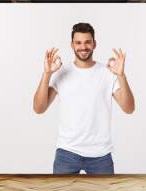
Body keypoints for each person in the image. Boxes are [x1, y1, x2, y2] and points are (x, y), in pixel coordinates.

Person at [33, 22, 135, 174]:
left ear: (94, 44)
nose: (83, 47)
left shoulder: (107, 73)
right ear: (72, 45)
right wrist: (47, 74)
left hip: (100, 155)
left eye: (87, 42)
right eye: (78, 42)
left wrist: (121, 75)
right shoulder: (62, 72)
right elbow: (38, 108)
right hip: (67, 153)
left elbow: (129, 108)